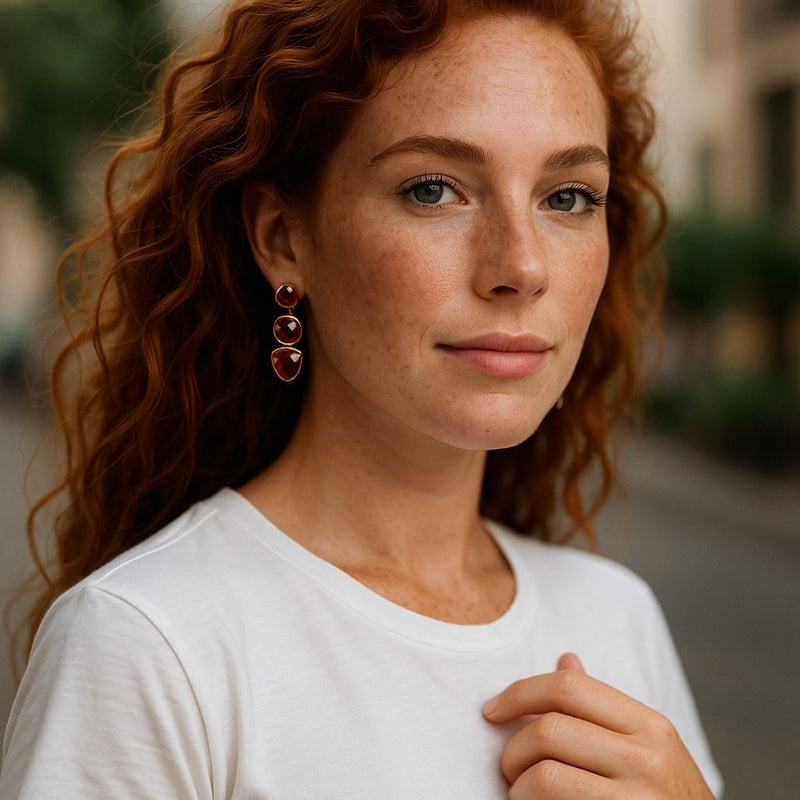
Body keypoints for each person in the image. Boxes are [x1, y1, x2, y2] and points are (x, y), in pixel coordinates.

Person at [1, 0, 723, 797]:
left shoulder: (618, 619)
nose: (522, 265)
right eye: (433, 189)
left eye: (568, 198)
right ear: (282, 236)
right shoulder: (150, 645)